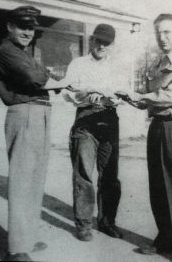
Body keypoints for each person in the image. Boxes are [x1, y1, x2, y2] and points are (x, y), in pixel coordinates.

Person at [120, 14, 172, 262]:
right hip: (157, 126)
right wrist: (128, 98)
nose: (162, 38)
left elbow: (171, 98)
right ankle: (166, 239)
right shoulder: (158, 64)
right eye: (159, 33)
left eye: (167, 32)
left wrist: (137, 96)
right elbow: (149, 98)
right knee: (158, 187)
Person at [0, 5, 63, 262]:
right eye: (22, 26)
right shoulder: (6, 51)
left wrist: (48, 77)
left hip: (39, 113)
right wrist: (64, 81)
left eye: (31, 27)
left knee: (35, 180)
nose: (26, 32)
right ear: (9, 26)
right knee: (22, 181)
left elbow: (40, 74)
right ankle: (16, 249)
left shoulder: (23, 52)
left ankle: (27, 239)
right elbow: (35, 78)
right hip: (25, 114)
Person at [60, 24, 124, 242]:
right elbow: (68, 93)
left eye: (107, 42)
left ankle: (107, 222)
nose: (102, 46)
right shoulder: (77, 64)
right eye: (99, 41)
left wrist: (112, 97)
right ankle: (84, 224)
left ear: (112, 45)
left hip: (109, 120)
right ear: (92, 41)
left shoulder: (117, 66)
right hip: (85, 120)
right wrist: (88, 95)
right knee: (84, 174)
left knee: (109, 175)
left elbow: (122, 93)